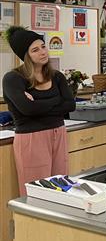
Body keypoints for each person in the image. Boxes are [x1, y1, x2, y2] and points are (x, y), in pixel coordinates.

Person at [2, 26, 75, 195]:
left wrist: (39, 103)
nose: (42, 52)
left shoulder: (57, 76)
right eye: (35, 50)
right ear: (25, 56)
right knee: (38, 192)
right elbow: (28, 109)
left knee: (62, 189)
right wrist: (57, 100)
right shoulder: (13, 79)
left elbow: (70, 105)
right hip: (31, 138)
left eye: (43, 46)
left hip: (58, 133)